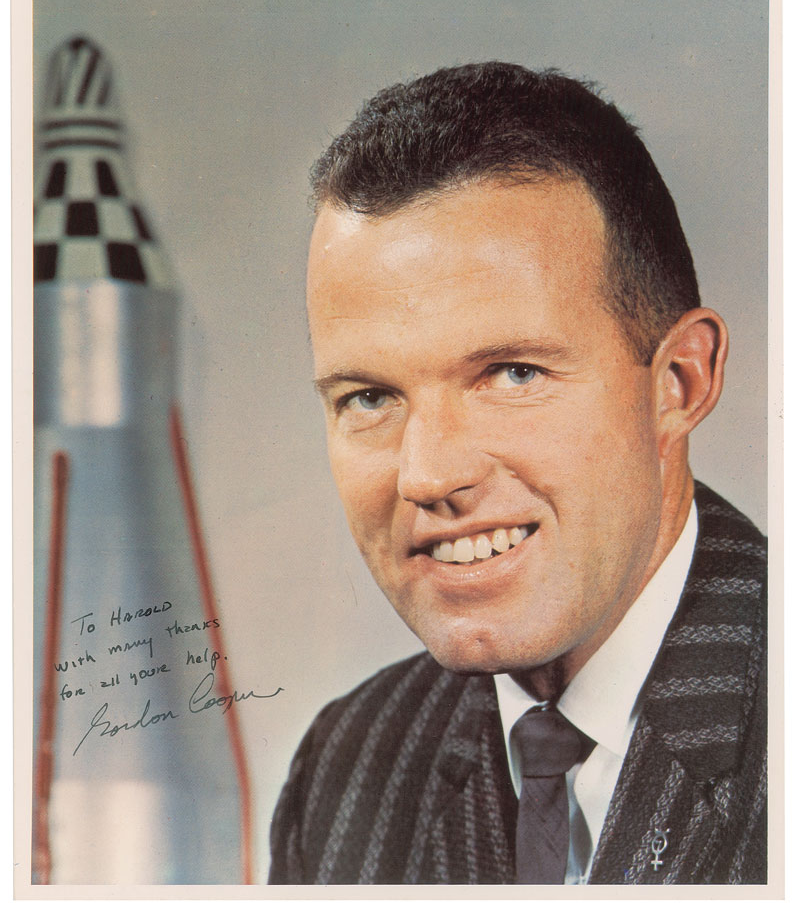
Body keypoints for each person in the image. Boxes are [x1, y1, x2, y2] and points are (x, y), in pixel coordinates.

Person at [268, 62, 767, 885]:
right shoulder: (345, 768)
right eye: (369, 397)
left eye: (512, 374)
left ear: (678, 384)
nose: (428, 475)